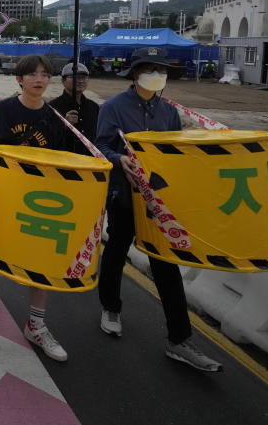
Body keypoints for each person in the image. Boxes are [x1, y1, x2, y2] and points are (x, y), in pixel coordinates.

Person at [95, 47, 222, 372]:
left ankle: (179, 339)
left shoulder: (169, 113)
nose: (157, 75)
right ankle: (111, 307)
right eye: (150, 69)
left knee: (166, 265)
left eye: (161, 70)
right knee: (116, 252)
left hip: (159, 204)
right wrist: (117, 158)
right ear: (135, 73)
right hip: (125, 197)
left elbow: (175, 154)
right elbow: (102, 146)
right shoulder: (112, 108)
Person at [0, 54, 69, 362]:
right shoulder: (2, 110)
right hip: (2, 192)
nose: (39, 79)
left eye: (45, 74)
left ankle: (36, 324)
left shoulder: (56, 118)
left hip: (41, 201)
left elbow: (63, 160)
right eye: (32, 74)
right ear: (19, 79)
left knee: (40, 257)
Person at [49, 62, 99, 155]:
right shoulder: (52, 107)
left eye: (83, 77)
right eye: (74, 77)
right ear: (63, 81)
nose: (80, 81)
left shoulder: (94, 107)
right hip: (65, 162)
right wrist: (64, 125)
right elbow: (47, 138)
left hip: (91, 162)